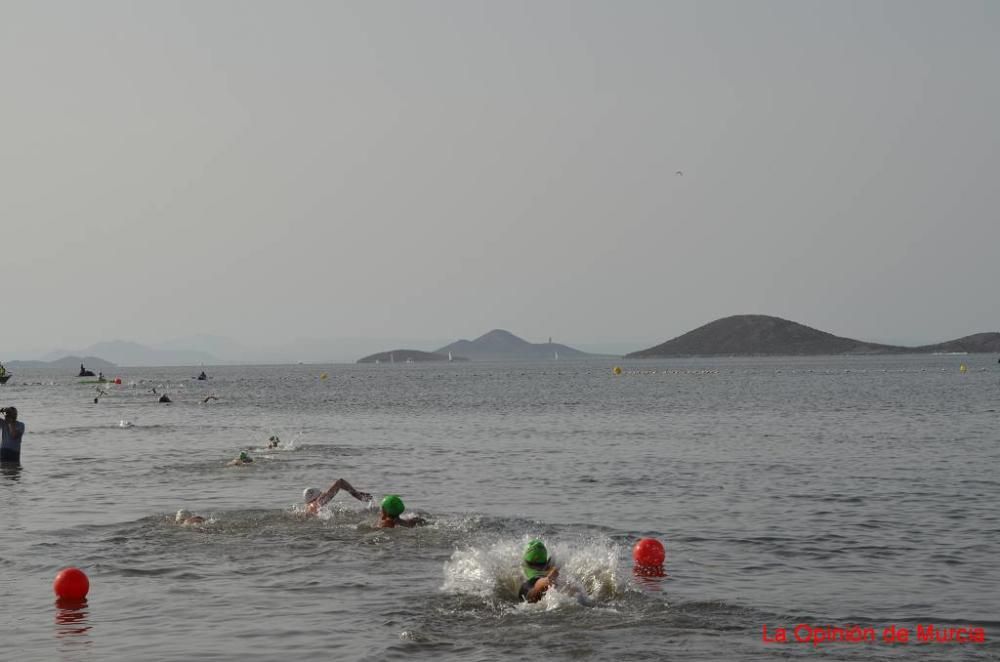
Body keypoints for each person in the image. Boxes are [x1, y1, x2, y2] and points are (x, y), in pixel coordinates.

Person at [302, 479, 372, 514]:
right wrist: (356, 494)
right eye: (321, 495)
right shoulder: (317, 503)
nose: (323, 495)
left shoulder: (307, 509)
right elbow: (340, 482)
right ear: (317, 497)